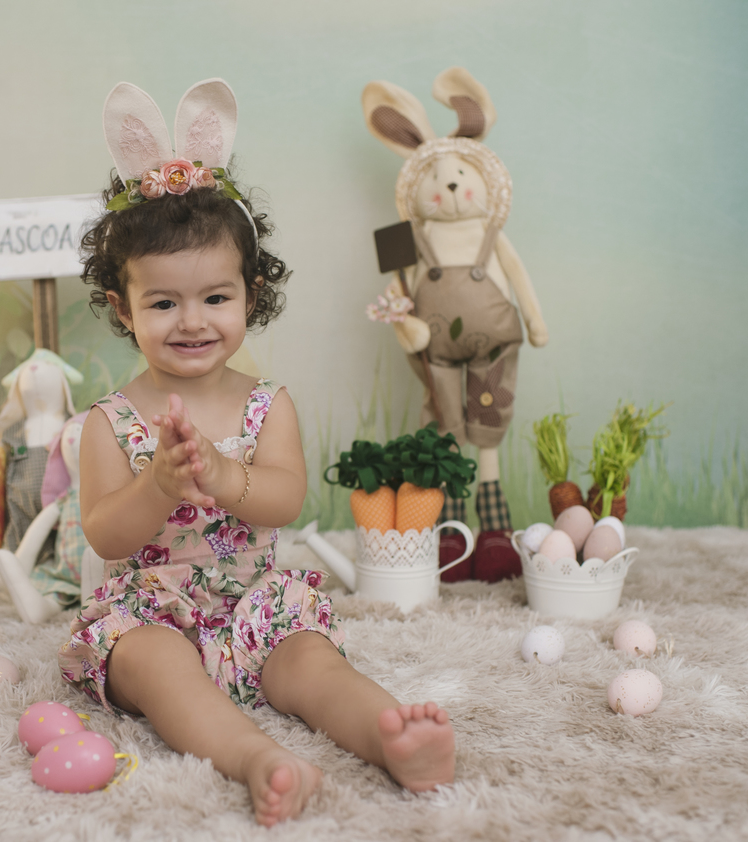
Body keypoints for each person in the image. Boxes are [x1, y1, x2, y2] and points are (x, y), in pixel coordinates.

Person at [59, 80, 454, 827]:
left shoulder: (268, 404)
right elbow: (106, 534)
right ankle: (255, 758)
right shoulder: (109, 422)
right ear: (123, 308)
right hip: (154, 607)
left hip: (253, 602)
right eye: (163, 303)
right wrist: (161, 483)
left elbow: (285, 500)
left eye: (216, 297)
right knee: (153, 663)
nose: (192, 322)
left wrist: (218, 471)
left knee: (311, 662)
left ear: (252, 291)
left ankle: (389, 734)